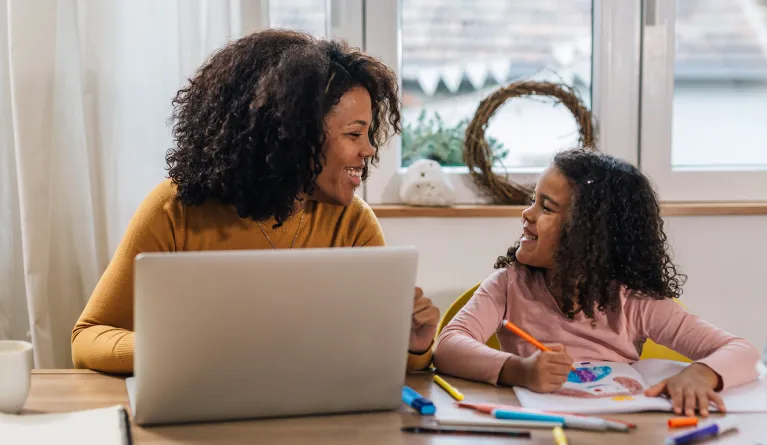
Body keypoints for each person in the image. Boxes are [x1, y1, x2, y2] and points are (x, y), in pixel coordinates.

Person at [71, 29, 440, 374]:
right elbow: (89, 336)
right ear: (290, 134)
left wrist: (412, 348)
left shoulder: (353, 225)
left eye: (368, 132)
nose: (369, 149)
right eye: (354, 133)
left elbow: (377, 356)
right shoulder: (175, 209)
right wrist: (178, 350)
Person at [433, 148, 759, 417]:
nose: (527, 214)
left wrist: (701, 374)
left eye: (545, 207)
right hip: (534, 426)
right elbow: (449, 345)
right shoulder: (508, 285)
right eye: (534, 200)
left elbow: (741, 351)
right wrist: (521, 370)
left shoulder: (634, 300)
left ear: (590, 234)